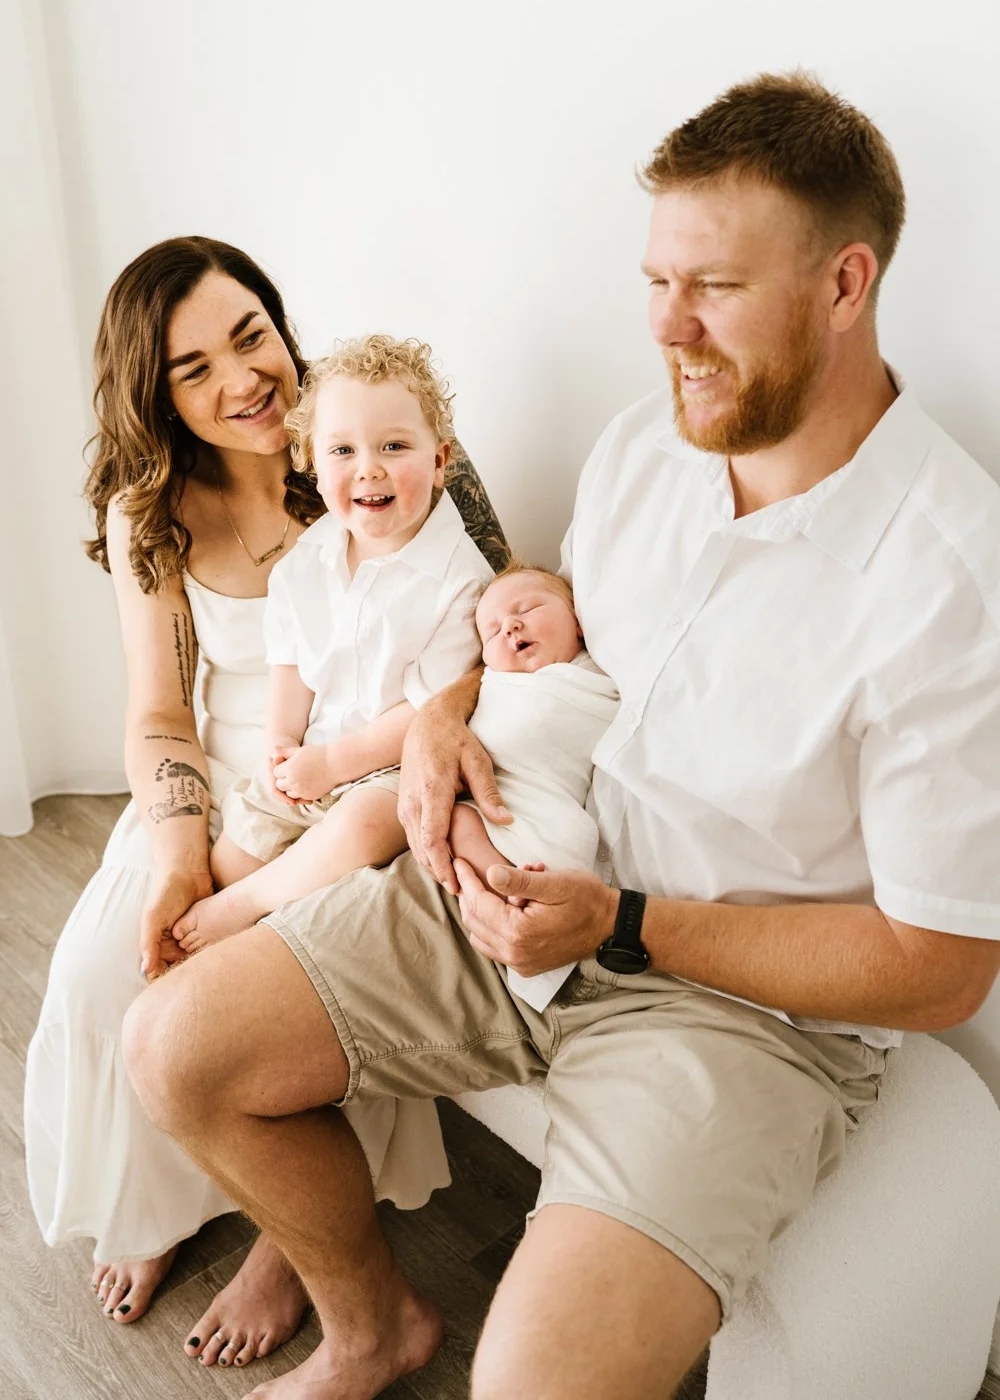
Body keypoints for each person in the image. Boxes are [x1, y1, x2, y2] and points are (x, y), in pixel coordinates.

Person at [122, 73, 1000, 1400]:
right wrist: (442, 724)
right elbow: (558, 638)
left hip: (735, 1018)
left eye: (713, 288)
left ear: (844, 283)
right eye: (655, 281)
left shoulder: (951, 579)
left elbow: (939, 971)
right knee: (172, 1048)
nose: (668, 328)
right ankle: (369, 1326)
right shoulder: (648, 446)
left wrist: (621, 923)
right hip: (518, 880)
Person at [22, 236, 509, 1372]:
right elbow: (160, 714)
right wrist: (180, 855)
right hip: (228, 777)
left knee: (300, 954)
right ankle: (157, 1201)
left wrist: (424, 729)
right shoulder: (150, 509)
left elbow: (503, 620)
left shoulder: (371, 437)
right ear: (158, 395)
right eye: (195, 369)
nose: (244, 380)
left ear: (281, 328)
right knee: (103, 974)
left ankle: (292, 1242)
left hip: (366, 757)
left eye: (252, 338)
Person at [172, 334, 493, 953]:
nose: (369, 468)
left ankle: (251, 904)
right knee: (234, 850)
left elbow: (427, 709)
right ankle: (242, 903)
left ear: (440, 461)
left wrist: (335, 766)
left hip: (388, 768)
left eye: (394, 446)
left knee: (365, 824)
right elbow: (290, 662)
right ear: (313, 467)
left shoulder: (460, 581)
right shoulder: (306, 562)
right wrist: (281, 742)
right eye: (343, 450)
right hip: (313, 752)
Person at [448, 565, 618, 1008]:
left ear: (578, 620)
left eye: (527, 609)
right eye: (492, 631)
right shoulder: (496, 685)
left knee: (467, 821)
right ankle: (505, 888)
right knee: (460, 821)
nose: (510, 626)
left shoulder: (597, 676)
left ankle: (518, 890)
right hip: (500, 804)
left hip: (553, 813)